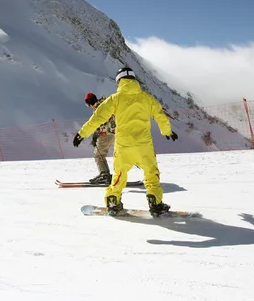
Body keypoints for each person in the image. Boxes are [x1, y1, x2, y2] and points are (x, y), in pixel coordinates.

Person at [73, 67, 178, 216]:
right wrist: (167, 131)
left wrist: (81, 133)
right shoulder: (146, 98)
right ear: (135, 79)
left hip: (123, 145)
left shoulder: (115, 99)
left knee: (119, 174)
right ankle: (155, 202)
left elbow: (98, 117)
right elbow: (160, 115)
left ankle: (113, 201)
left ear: (119, 81)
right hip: (144, 145)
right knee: (151, 173)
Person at [83, 92, 116, 184]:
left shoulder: (98, 108)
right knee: (104, 155)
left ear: (90, 102)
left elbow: (99, 122)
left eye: (87, 104)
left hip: (105, 135)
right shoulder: (106, 104)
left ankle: (104, 174)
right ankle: (106, 174)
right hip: (114, 133)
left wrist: (95, 136)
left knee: (98, 155)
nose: (89, 106)